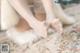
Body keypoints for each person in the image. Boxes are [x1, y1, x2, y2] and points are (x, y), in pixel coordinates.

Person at [1, 0, 76, 46]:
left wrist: (50, 16)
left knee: (44, 24)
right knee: (23, 31)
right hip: (16, 4)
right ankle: (26, 18)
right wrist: (33, 22)